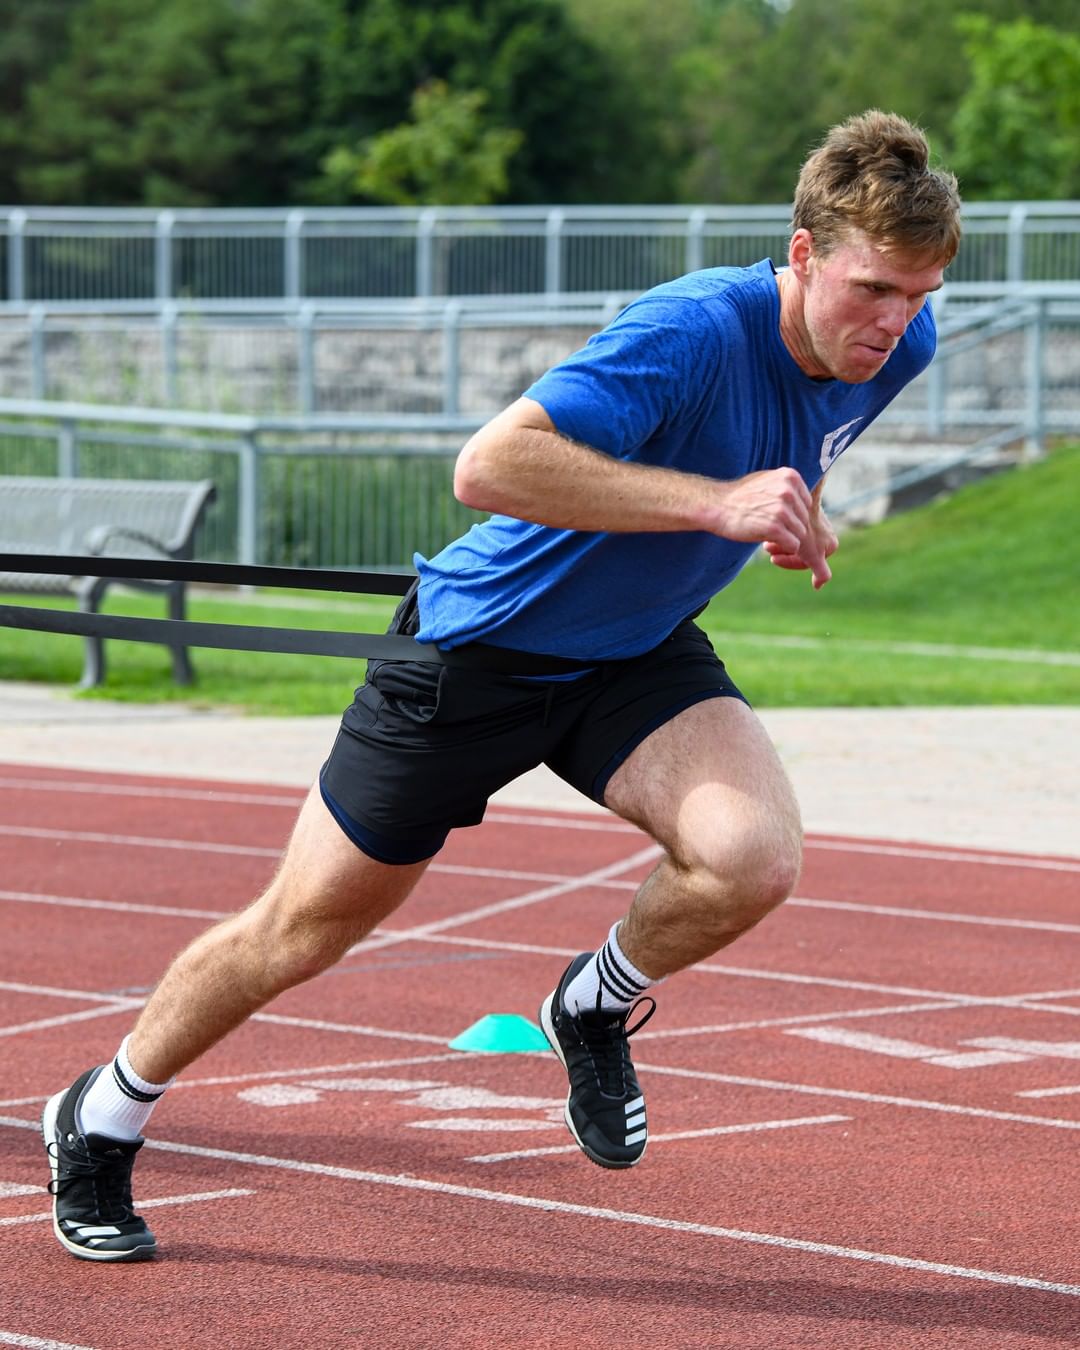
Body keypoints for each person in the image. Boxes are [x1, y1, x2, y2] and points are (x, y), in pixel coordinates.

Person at [42, 108, 961, 1261]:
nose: (895, 322)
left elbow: (787, 442)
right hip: (474, 654)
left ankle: (593, 1001)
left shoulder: (901, 352)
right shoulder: (687, 331)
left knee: (751, 860)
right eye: (874, 287)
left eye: (920, 295)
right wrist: (713, 503)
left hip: (632, 656)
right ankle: (103, 1114)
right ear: (803, 254)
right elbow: (488, 465)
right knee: (300, 930)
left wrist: (788, 508)